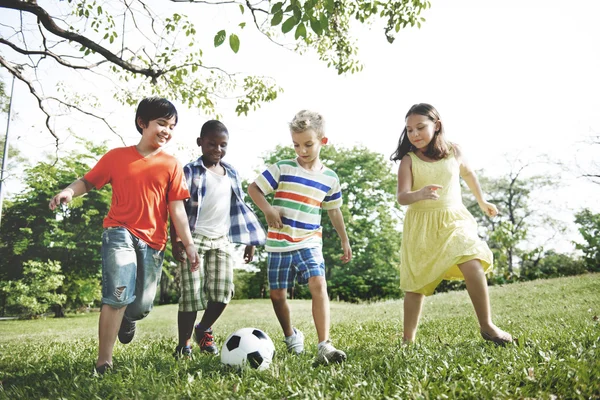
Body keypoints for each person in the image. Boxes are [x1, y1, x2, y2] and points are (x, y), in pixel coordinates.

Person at [48, 97, 200, 374]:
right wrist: (69, 191)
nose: (167, 130)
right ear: (143, 124)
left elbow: (177, 209)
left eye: (172, 126)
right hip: (119, 232)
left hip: (153, 242)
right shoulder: (117, 157)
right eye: (161, 124)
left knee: (141, 306)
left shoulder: (172, 164)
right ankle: (104, 362)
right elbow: (87, 181)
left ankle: (129, 317)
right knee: (117, 295)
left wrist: (188, 244)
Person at [391, 103, 513, 345]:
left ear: (436, 126)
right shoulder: (409, 160)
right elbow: (402, 196)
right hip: (422, 226)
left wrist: (482, 200)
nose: (414, 134)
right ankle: (407, 340)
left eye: (420, 128)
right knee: (416, 285)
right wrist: (419, 194)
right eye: (409, 130)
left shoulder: (454, 151)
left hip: (454, 219)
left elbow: (468, 174)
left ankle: (487, 326)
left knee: (473, 262)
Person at [248, 110, 353, 365]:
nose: (302, 150)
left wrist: (344, 238)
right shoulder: (283, 167)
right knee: (277, 295)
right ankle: (291, 336)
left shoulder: (330, 178)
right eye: (296, 144)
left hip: (309, 240)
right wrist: (268, 209)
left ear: (322, 141)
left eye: (308, 144)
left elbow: (334, 210)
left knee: (319, 285)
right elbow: (254, 188)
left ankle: (324, 345)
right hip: (279, 242)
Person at [171, 120, 266, 359]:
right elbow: (176, 208)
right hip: (193, 239)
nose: (217, 149)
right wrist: (176, 241)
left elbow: (241, 206)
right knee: (191, 296)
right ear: (200, 143)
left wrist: (250, 240)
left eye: (223, 145)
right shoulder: (189, 171)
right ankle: (184, 345)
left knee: (223, 292)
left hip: (221, 240)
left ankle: (203, 329)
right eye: (212, 144)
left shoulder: (231, 172)